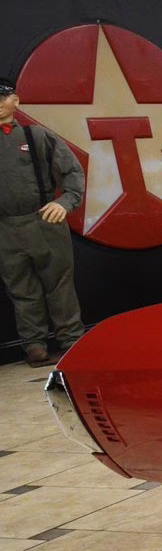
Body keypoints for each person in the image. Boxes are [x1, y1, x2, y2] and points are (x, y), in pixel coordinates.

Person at [0, 78, 86, 367]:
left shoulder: (36, 136)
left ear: (16, 101)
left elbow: (72, 171)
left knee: (60, 284)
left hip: (44, 221)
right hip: (5, 227)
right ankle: (34, 344)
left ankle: (72, 340)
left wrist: (66, 201)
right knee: (21, 289)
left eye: (3, 97)